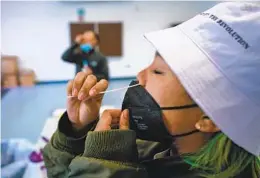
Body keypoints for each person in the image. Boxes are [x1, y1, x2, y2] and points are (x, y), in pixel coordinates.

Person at [43, 2, 260, 178]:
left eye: (157, 72)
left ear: (209, 117)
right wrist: (77, 131)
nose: (140, 75)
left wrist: (106, 163)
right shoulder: (152, 147)